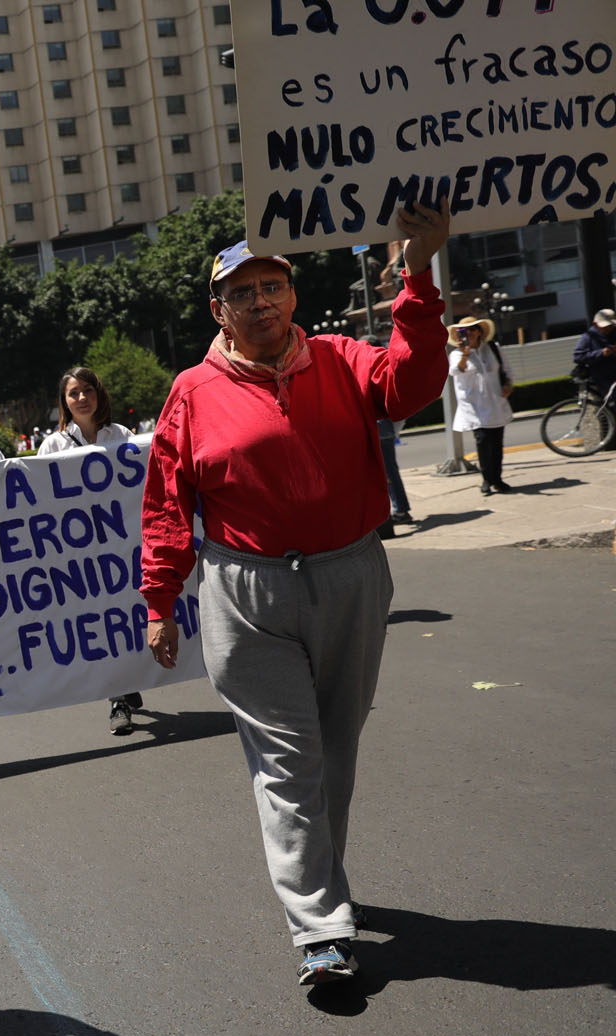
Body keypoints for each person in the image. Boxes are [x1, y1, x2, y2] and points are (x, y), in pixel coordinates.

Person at [141, 199, 453, 989]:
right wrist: (159, 598)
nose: (259, 303)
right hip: (246, 594)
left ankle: (322, 885)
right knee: (289, 760)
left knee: (335, 749)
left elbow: (415, 382)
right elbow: (167, 502)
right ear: (220, 311)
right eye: (241, 293)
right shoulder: (191, 391)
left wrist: (416, 274)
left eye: (271, 285)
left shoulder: (348, 361)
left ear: (292, 293)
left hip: (350, 573)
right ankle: (320, 927)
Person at [36, 367, 144, 735]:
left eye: (87, 391)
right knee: (99, 620)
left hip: (120, 545)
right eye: (73, 393)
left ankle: (129, 680)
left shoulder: (123, 436)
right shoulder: (52, 446)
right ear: (64, 401)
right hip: (79, 554)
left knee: (127, 614)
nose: (81, 398)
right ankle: (117, 698)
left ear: (99, 394)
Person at [448, 316, 516, 496]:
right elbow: (456, 370)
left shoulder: (493, 348)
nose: (468, 333)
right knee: (483, 442)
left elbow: (506, 369)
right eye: (464, 331)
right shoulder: (456, 354)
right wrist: (465, 353)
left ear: (479, 331)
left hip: (495, 402)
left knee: (496, 443)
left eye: (472, 329)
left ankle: (498, 479)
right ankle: (487, 478)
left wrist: (508, 384)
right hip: (474, 407)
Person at [571, 307, 616, 397]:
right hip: (598, 382)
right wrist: (601, 353)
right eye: (605, 326)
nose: (609, 328)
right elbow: (578, 357)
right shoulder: (588, 337)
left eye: (611, 326)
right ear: (595, 324)